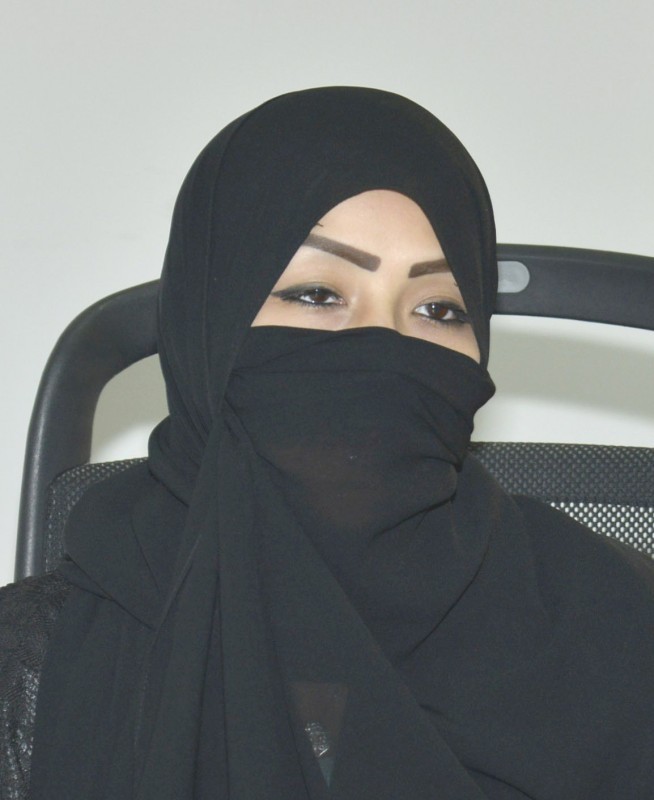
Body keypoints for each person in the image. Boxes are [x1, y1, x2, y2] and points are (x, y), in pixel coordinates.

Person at [1, 86, 654, 800]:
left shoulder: (618, 628)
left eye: (439, 309)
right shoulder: (37, 666)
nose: (385, 345)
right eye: (317, 295)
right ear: (208, 322)